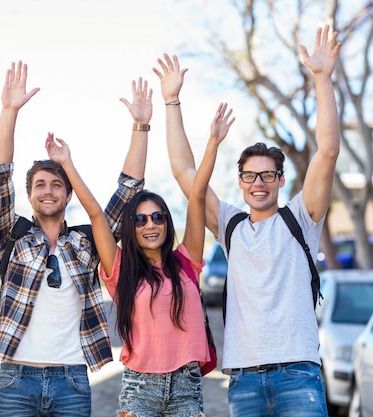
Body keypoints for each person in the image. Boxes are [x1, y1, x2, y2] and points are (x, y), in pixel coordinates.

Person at [154, 25, 342, 417]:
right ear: (240, 182)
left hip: (299, 375)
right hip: (244, 380)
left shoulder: (300, 218)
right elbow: (184, 170)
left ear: (281, 180)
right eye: (250, 176)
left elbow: (326, 152)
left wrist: (322, 79)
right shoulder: (231, 226)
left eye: (268, 175)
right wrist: (171, 102)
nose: (259, 183)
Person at [46, 102, 234, 416]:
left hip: (187, 388)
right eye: (141, 219)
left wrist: (213, 143)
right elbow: (96, 215)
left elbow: (198, 196)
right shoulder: (121, 270)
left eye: (158, 217)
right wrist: (67, 164)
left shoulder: (187, 262)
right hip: (139, 389)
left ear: (166, 223)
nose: (150, 224)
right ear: (132, 228)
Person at [0, 61, 148, 417]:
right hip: (15, 377)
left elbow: (128, 192)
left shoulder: (88, 242)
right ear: (29, 196)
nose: (48, 191)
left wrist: (141, 126)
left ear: (69, 195)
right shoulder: (13, 236)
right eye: (40, 185)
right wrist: (9, 110)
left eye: (57, 184)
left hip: (71, 380)